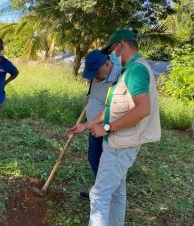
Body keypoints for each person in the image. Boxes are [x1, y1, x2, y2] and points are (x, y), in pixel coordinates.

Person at [68, 29, 161, 225]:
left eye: (112, 50)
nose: (112, 55)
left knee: (99, 196)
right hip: (119, 141)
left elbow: (143, 109)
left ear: (122, 45)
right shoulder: (129, 70)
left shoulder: (135, 70)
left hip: (121, 144)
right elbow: (112, 108)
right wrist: (86, 125)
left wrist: (107, 128)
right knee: (117, 192)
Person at [80, 49, 121, 200]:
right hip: (93, 127)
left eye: (96, 73)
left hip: (109, 130)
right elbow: (94, 96)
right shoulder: (96, 76)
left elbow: (118, 109)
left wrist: (104, 126)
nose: (95, 78)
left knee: (107, 165)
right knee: (93, 158)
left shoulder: (120, 77)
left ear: (107, 63)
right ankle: (100, 190)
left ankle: (105, 194)